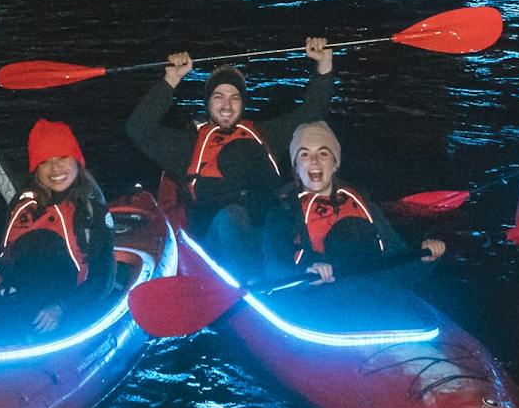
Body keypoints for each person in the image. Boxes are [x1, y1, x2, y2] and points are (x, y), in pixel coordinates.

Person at [125, 37, 335, 275]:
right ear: (207, 104)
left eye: (234, 98)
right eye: (218, 97)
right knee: (232, 216)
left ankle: (295, 279)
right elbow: (138, 129)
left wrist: (323, 65)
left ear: (242, 104)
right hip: (218, 237)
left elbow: (313, 111)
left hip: (266, 229)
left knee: (283, 217)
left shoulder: (264, 134)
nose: (227, 106)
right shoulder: (188, 144)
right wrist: (171, 79)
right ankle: (252, 287)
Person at [0, 69, 116, 338]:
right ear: (36, 168)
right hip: (20, 299)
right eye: (45, 161)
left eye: (63, 157)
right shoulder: (21, 197)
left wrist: (60, 308)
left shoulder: (94, 211)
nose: (55, 169)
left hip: (70, 306)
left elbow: (104, 279)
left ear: (77, 161)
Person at [261, 120, 445, 283]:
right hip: (318, 298)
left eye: (323, 153)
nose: (314, 161)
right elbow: (274, 269)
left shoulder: (361, 202)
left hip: (368, 290)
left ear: (335, 164)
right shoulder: (283, 212)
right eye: (304, 155)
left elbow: (395, 257)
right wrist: (305, 272)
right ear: (296, 167)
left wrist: (422, 258)